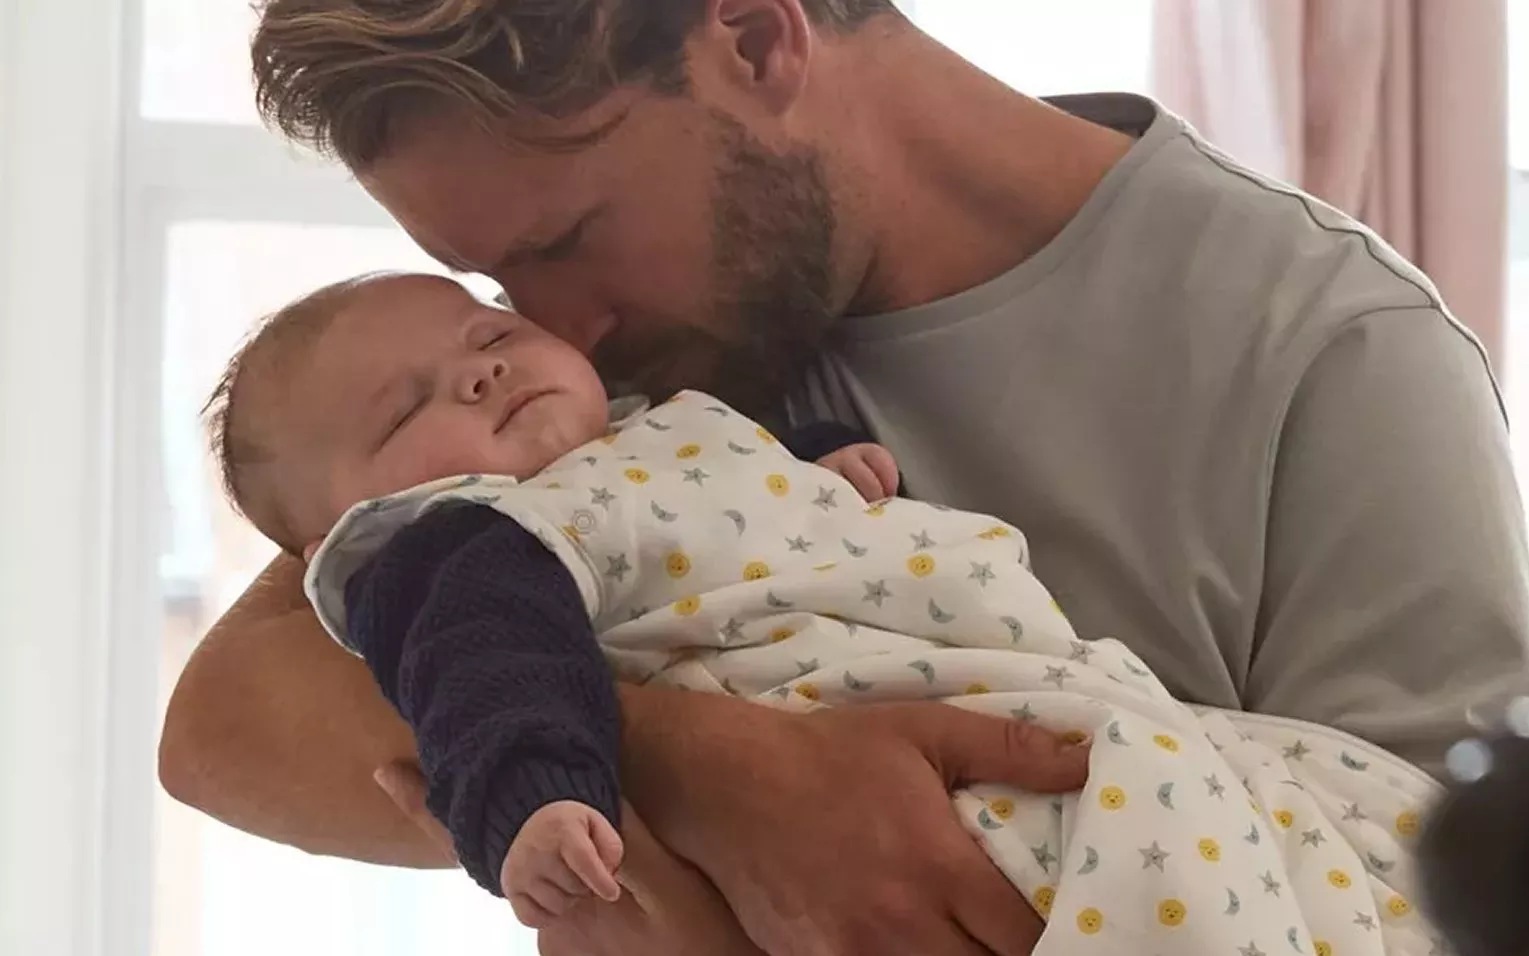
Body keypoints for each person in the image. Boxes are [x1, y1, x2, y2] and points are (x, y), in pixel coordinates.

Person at [157, 2, 1529, 954]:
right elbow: (231, 723)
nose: (552, 324)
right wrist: (718, 771)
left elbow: (1457, 898)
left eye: (568, 238)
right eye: (497, 285)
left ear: (756, 38)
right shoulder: (602, 395)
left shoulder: (1333, 352)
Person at [210, 268, 1444, 953]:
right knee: (1164, 860)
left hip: (1054, 696)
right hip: (945, 786)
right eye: (406, 407)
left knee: (1336, 823)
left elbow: (741, 480)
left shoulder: (652, 423)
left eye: (491, 329)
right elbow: (486, 671)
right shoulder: (474, 541)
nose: (482, 369)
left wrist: (825, 465)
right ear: (341, 535)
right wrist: (534, 796)